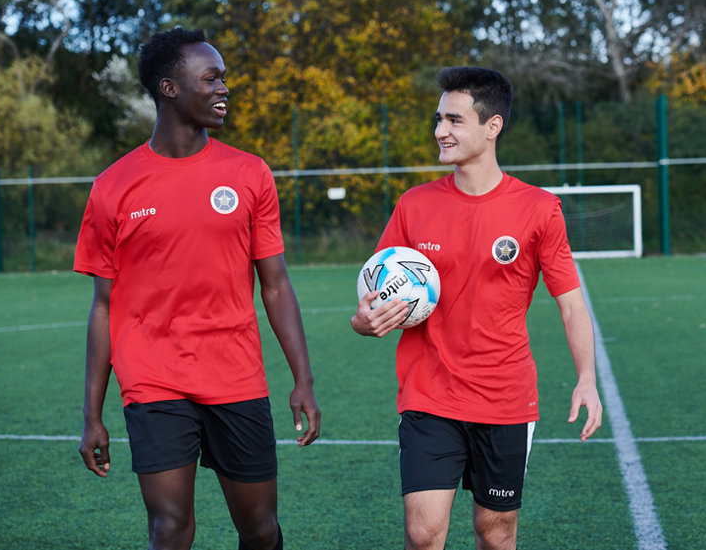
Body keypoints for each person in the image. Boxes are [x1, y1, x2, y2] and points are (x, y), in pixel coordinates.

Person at [75, 27, 320, 550]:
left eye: (224, 78)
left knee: (259, 528)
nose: (223, 88)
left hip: (236, 375)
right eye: (211, 78)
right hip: (153, 380)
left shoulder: (249, 173)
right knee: (170, 527)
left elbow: (275, 286)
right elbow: (103, 305)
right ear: (169, 88)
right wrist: (92, 415)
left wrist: (303, 378)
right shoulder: (112, 187)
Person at [351, 66, 603, 550]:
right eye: (438, 119)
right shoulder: (413, 205)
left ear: (493, 127)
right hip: (429, 394)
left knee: (495, 531)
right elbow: (370, 303)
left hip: (505, 397)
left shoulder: (538, 208)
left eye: (454, 120)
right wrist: (364, 321)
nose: (440, 131)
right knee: (422, 534)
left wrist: (586, 378)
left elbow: (570, 304)